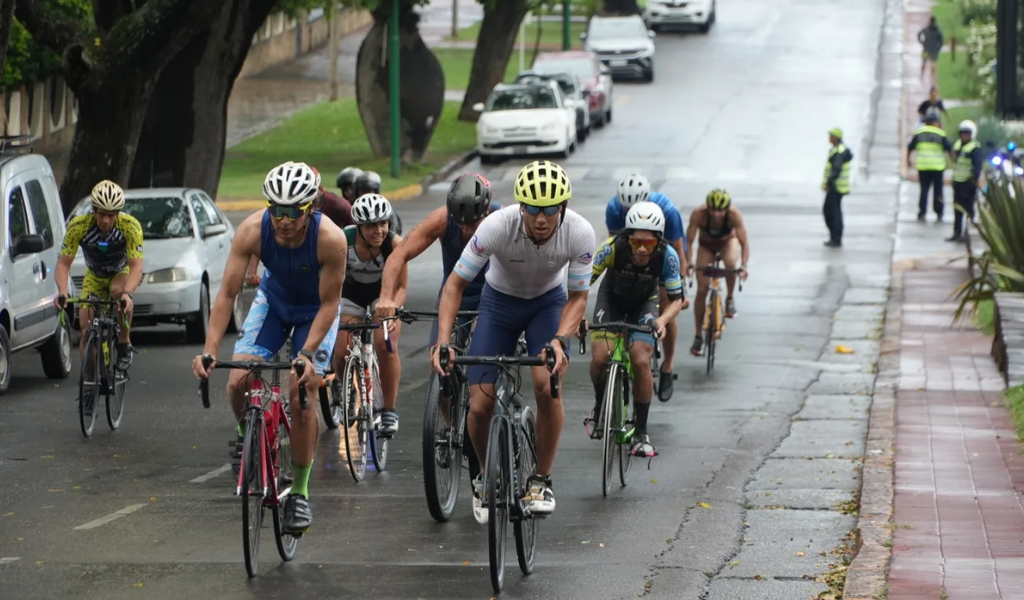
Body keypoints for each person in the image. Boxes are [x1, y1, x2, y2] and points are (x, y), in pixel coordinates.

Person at [432, 160, 596, 520]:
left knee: (546, 385)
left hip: (547, 306)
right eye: (533, 209)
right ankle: (484, 476)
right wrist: (443, 341)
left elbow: (578, 298)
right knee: (480, 405)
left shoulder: (580, 233)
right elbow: (455, 285)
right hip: (499, 306)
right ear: (520, 206)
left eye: (550, 210)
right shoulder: (496, 226)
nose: (541, 218)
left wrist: (559, 340)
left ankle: (540, 479)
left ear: (563, 208)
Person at [191, 161, 347, 535]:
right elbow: (227, 293)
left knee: (301, 390)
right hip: (274, 302)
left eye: (292, 211)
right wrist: (210, 349)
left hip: (315, 311)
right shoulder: (251, 230)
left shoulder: (331, 239)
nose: (282, 219)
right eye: (275, 209)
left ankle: (301, 494)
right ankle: (248, 438)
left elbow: (329, 305)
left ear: (310, 208)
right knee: (237, 381)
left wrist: (306, 355)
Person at [588, 202, 684, 458]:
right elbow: (580, 284)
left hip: (645, 303)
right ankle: (600, 406)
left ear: (659, 241)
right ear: (626, 237)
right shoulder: (611, 248)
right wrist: (575, 318)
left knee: (641, 359)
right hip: (611, 299)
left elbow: (677, 299)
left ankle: (641, 433)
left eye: (649, 244)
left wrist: (663, 320)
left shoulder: (668, 256)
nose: (642, 249)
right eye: (636, 241)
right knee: (600, 357)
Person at [375, 172, 501, 345]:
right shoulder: (442, 219)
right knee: (438, 353)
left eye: (472, 224)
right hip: (452, 292)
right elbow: (399, 254)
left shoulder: (501, 220)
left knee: (480, 349)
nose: (465, 230)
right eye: (459, 223)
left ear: (486, 211)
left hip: (489, 293)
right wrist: (386, 297)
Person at [605, 173, 688, 402]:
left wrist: (680, 286)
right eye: (625, 208)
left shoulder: (666, 211)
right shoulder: (613, 209)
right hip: (633, 253)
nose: (629, 211)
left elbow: (678, 250)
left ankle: (668, 366)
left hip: (662, 252)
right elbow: (615, 250)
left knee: (666, 305)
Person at [336, 193, 407, 437]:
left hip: (383, 295)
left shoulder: (395, 244)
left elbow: (402, 287)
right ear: (358, 227)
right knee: (341, 348)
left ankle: (389, 410)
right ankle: (345, 382)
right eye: (370, 225)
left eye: (382, 223)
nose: (378, 230)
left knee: (385, 344)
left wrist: (392, 312)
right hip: (351, 293)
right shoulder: (343, 241)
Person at [55, 180, 144, 372]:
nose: (106, 221)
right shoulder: (78, 226)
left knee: (118, 292)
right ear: (94, 210)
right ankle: (88, 382)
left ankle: (124, 342)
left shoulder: (130, 226)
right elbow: (63, 264)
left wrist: (129, 294)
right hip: (94, 277)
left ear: (118, 214)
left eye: (111, 215)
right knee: (86, 331)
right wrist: (63, 292)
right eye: (102, 214)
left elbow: (136, 267)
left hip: (119, 273)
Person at [684, 189, 750, 357]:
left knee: (730, 263)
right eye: (713, 210)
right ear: (708, 208)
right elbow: (689, 242)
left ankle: (729, 298)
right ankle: (698, 336)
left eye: (721, 211)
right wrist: (689, 263)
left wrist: (744, 265)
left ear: (727, 209)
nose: (717, 214)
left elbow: (744, 243)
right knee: (701, 290)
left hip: (728, 242)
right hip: (706, 245)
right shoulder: (699, 214)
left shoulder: (734, 215)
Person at [908, 111, 952, 221]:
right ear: (936, 122)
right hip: (938, 167)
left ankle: (922, 212)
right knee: (938, 191)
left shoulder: (919, 133)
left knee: (924, 190)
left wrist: (908, 160)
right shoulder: (941, 134)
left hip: (923, 167)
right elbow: (949, 149)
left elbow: (910, 147)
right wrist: (953, 162)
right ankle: (939, 213)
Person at [948, 119, 983, 242]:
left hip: (968, 184)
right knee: (957, 209)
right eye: (962, 134)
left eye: (967, 134)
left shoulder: (975, 148)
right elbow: (955, 163)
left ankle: (968, 234)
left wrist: (973, 181)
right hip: (958, 183)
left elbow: (977, 167)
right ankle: (957, 233)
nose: (964, 136)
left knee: (969, 210)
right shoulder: (957, 145)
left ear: (972, 134)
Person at [822, 127, 854, 248]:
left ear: (836, 137)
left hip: (836, 187)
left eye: (831, 136)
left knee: (832, 213)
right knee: (832, 211)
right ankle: (834, 236)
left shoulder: (839, 151)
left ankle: (836, 237)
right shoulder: (837, 149)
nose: (829, 138)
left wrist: (829, 183)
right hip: (837, 186)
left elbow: (836, 169)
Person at [353, 170, 403, 235]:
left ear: (376, 191)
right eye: (363, 191)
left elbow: (394, 231)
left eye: (369, 191)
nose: (366, 194)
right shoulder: (354, 208)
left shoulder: (384, 209)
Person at [918, 16, 943, 82]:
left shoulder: (926, 29)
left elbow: (919, 34)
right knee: (933, 63)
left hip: (925, 49)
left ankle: (921, 76)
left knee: (923, 63)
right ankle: (933, 78)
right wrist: (938, 48)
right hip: (934, 50)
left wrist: (922, 42)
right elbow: (941, 41)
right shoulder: (937, 31)